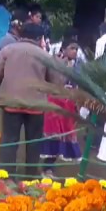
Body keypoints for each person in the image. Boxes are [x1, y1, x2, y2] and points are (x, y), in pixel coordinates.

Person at [0, 22, 63, 181]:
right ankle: (30, 178)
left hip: (11, 103)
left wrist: (5, 81)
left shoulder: (8, 50)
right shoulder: (45, 56)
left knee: (9, 140)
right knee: (34, 142)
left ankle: (6, 177)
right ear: (40, 38)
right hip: (36, 106)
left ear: (21, 34)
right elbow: (56, 81)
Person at [41, 40, 82, 176]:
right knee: (53, 136)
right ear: (64, 49)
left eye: (76, 49)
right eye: (72, 48)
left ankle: (49, 167)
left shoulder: (77, 65)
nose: (75, 52)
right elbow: (52, 81)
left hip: (68, 106)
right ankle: (47, 168)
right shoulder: (54, 62)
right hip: (54, 104)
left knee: (63, 138)